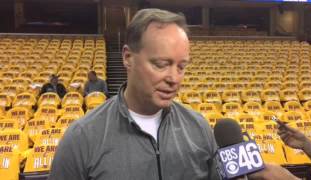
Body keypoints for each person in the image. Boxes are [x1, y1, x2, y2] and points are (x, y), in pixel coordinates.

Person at [49, 9, 220, 180]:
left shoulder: (199, 128)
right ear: (128, 57)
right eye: (161, 64)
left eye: (181, 67)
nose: (174, 78)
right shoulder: (81, 138)